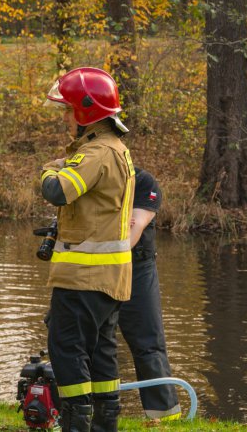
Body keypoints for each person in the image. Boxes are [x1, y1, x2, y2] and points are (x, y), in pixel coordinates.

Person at [40, 67, 135, 432]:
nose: (64, 118)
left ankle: (76, 423)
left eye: (67, 110)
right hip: (110, 278)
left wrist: (49, 169)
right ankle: (105, 425)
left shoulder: (96, 152)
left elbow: (57, 190)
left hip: (83, 277)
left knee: (68, 352)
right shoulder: (117, 149)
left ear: (85, 112)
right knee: (101, 355)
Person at [118, 168, 182, 422]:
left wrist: (116, 225)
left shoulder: (143, 181)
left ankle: (164, 417)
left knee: (149, 344)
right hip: (95, 266)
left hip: (138, 270)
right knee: (81, 339)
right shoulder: (92, 173)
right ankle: (80, 411)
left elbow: (135, 230)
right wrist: (122, 220)